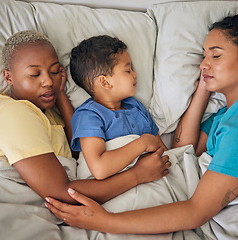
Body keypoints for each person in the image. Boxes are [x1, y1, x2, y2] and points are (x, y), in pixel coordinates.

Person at [45, 14, 238, 233]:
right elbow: (182, 149)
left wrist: (105, 221)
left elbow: (196, 211)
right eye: (203, 56)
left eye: (215, 56)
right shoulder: (228, 114)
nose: (203, 64)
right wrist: (204, 87)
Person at [0, 30, 170, 205]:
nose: (48, 81)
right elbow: (63, 193)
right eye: (35, 74)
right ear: (8, 77)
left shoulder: (44, 111)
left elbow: (78, 148)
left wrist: (60, 95)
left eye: (54, 72)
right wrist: (137, 175)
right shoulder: (14, 114)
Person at [69, 35, 167, 180]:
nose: (135, 74)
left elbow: (162, 151)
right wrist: (142, 143)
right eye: (128, 70)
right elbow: (99, 168)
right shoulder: (88, 116)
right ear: (105, 82)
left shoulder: (135, 107)